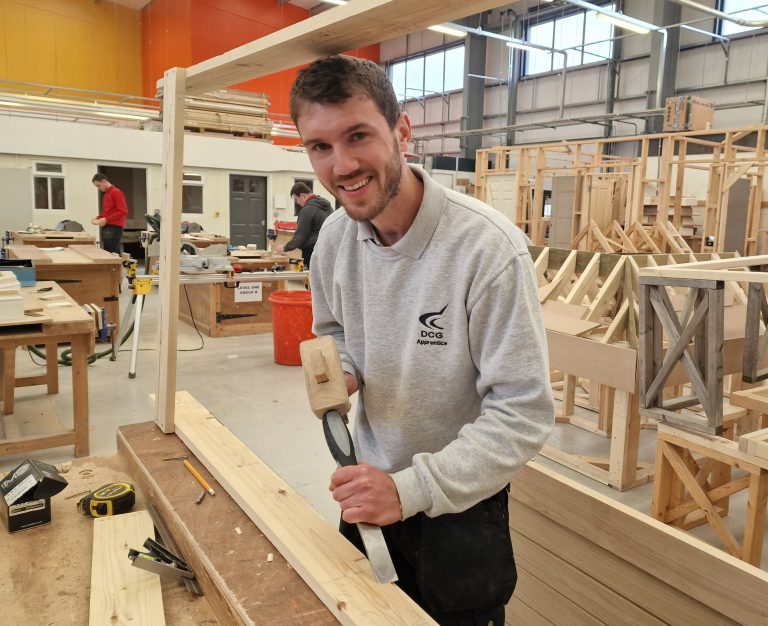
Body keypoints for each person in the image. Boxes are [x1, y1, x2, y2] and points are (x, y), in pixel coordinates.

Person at [290, 55, 554, 625]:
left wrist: (409, 490)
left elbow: (523, 412)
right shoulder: (334, 239)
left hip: (459, 504)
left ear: (402, 130)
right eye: (320, 146)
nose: (342, 165)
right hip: (367, 487)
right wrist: (344, 368)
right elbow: (333, 333)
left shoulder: (487, 251)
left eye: (358, 135)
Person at [275, 182, 333, 268]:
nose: (297, 203)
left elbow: (300, 236)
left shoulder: (307, 210)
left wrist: (285, 248)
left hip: (312, 251)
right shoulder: (328, 207)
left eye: (296, 199)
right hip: (329, 249)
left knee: (311, 279)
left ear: (302, 195)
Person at [91, 173, 128, 254]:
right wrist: (98, 217)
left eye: (98, 185)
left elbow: (123, 211)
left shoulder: (116, 192)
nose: (98, 188)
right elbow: (107, 212)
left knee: (112, 253)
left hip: (114, 228)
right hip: (108, 227)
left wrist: (106, 219)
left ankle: (116, 266)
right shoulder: (107, 194)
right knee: (107, 252)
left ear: (104, 181)